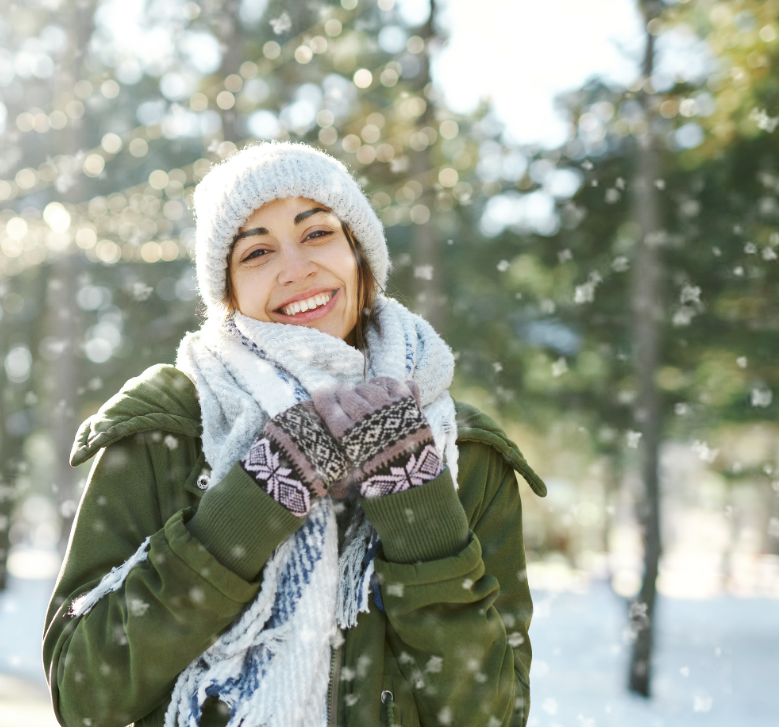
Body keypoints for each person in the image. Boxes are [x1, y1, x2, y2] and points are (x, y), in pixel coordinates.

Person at [42, 142, 547, 727]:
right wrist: (247, 509)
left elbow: (493, 716)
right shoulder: (171, 428)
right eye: (257, 251)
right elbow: (84, 695)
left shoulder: (463, 450)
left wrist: (422, 517)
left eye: (316, 234)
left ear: (359, 254)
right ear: (227, 293)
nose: (295, 268)